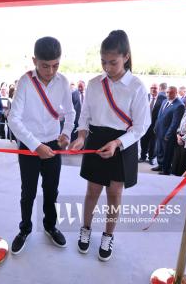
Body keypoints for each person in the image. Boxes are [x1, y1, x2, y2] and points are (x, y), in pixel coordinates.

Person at [69, 30, 150, 262]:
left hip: (122, 142)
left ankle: (108, 234)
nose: (107, 67)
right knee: (92, 190)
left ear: (126, 57)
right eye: (103, 61)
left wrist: (117, 142)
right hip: (95, 140)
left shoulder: (136, 86)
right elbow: (84, 115)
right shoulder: (95, 84)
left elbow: (142, 126)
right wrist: (82, 137)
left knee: (114, 192)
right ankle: (86, 228)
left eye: (113, 62)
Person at [8, 36, 75, 254]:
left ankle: (50, 226)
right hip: (30, 146)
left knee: (51, 190)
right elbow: (13, 119)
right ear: (34, 60)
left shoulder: (63, 82)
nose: (50, 71)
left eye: (55, 65)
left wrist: (65, 134)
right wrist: (35, 146)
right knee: (28, 191)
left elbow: (71, 112)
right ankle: (25, 229)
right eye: (45, 66)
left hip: (54, 145)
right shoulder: (26, 82)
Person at [151, 86, 185, 175]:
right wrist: (155, 126)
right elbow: (159, 116)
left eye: (171, 92)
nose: (168, 94)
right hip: (159, 131)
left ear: (176, 93)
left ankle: (166, 170)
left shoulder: (179, 105)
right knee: (159, 150)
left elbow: (175, 123)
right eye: (167, 92)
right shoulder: (164, 101)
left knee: (167, 152)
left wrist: (168, 135)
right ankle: (160, 165)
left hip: (168, 133)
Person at [139, 83, 166, 165]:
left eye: (155, 88)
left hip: (155, 125)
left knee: (153, 142)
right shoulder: (144, 96)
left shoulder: (163, 98)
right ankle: (143, 156)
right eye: (152, 88)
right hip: (144, 124)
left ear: (159, 89)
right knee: (143, 140)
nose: (153, 89)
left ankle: (151, 158)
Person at [171, 95, 186, 176]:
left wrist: (182, 138)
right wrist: (178, 136)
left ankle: (181, 178)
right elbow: (179, 126)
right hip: (180, 137)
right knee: (176, 159)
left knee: (184, 160)